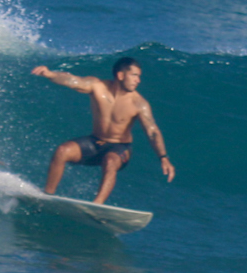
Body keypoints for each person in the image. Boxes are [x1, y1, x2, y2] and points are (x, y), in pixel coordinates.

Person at [31, 56, 175, 204]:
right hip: (95, 141)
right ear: (120, 75)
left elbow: (152, 131)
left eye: (139, 76)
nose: (138, 80)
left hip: (120, 147)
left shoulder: (139, 103)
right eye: (134, 75)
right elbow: (73, 81)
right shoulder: (97, 86)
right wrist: (51, 74)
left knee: (110, 160)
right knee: (62, 151)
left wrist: (163, 157)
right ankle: (47, 196)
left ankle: (96, 206)